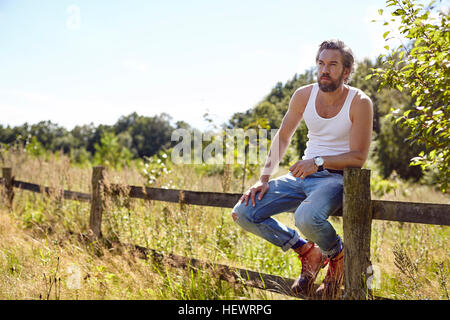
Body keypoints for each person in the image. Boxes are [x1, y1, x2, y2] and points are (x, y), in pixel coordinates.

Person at [231, 39, 373, 299]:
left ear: (346, 71)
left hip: (335, 179)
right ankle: (309, 251)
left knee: (306, 218)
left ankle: (336, 257)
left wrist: (318, 162)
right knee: (244, 212)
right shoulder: (303, 95)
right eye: (320, 63)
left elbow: (358, 157)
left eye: (332, 64)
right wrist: (263, 178)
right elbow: (283, 136)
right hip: (302, 176)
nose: (324, 70)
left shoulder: (359, 102)